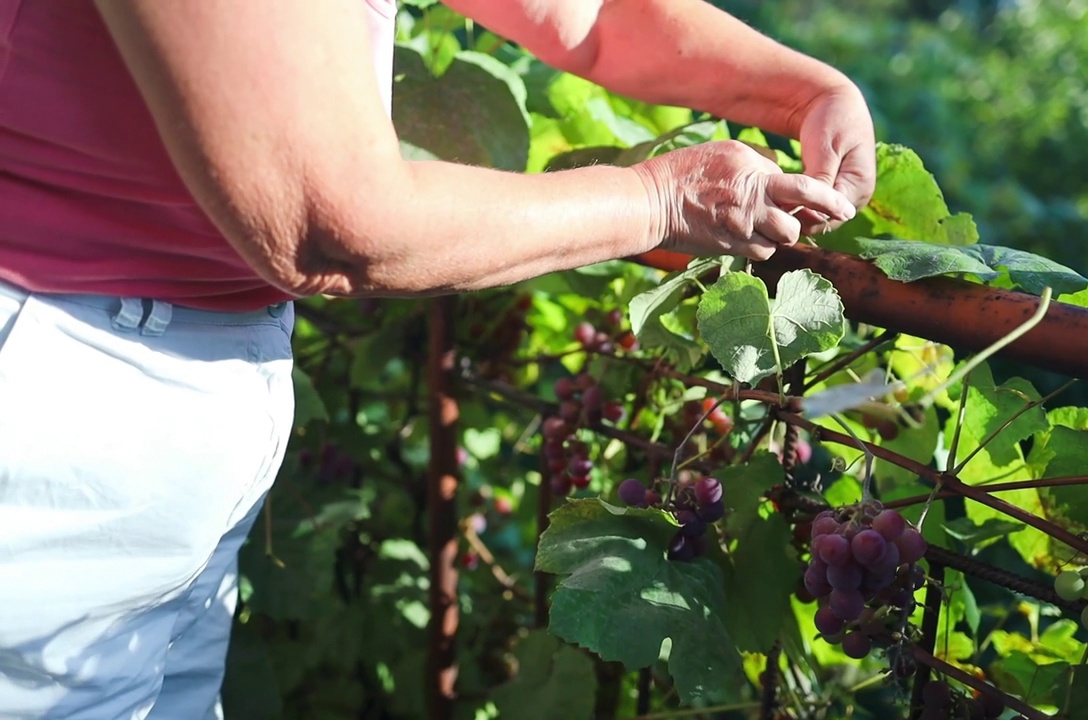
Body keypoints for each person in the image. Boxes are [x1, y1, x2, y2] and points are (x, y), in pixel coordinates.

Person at [0, 0, 876, 716]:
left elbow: (587, 13)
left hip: (165, 378)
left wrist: (803, 90)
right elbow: (327, 227)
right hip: (60, 383)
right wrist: (661, 197)